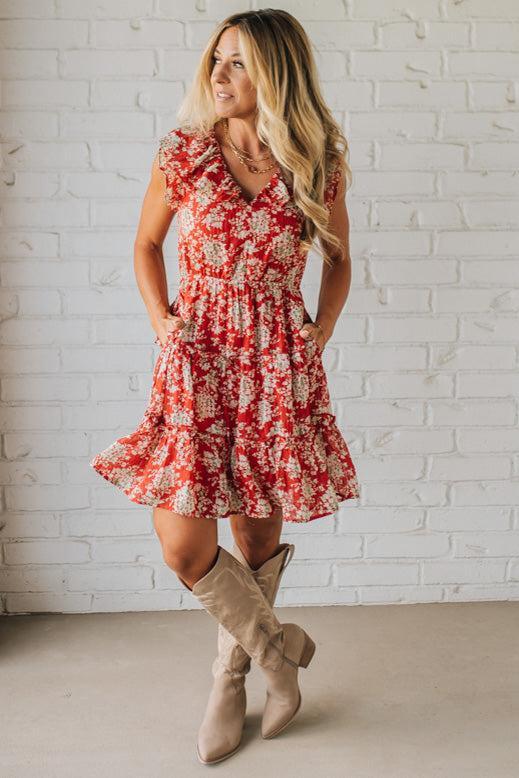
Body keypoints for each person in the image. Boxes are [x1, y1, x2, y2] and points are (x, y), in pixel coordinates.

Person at [90, 8, 360, 765]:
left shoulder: (315, 160)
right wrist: (161, 322)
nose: (219, 73)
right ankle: (278, 655)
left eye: (238, 62)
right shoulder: (182, 154)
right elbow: (146, 244)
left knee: (256, 533)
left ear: (275, 73)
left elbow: (337, 257)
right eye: (217, 58)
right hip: (198, 354)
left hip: (276, 360)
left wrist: (322, 327)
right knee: (184, 543)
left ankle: (230, 680)